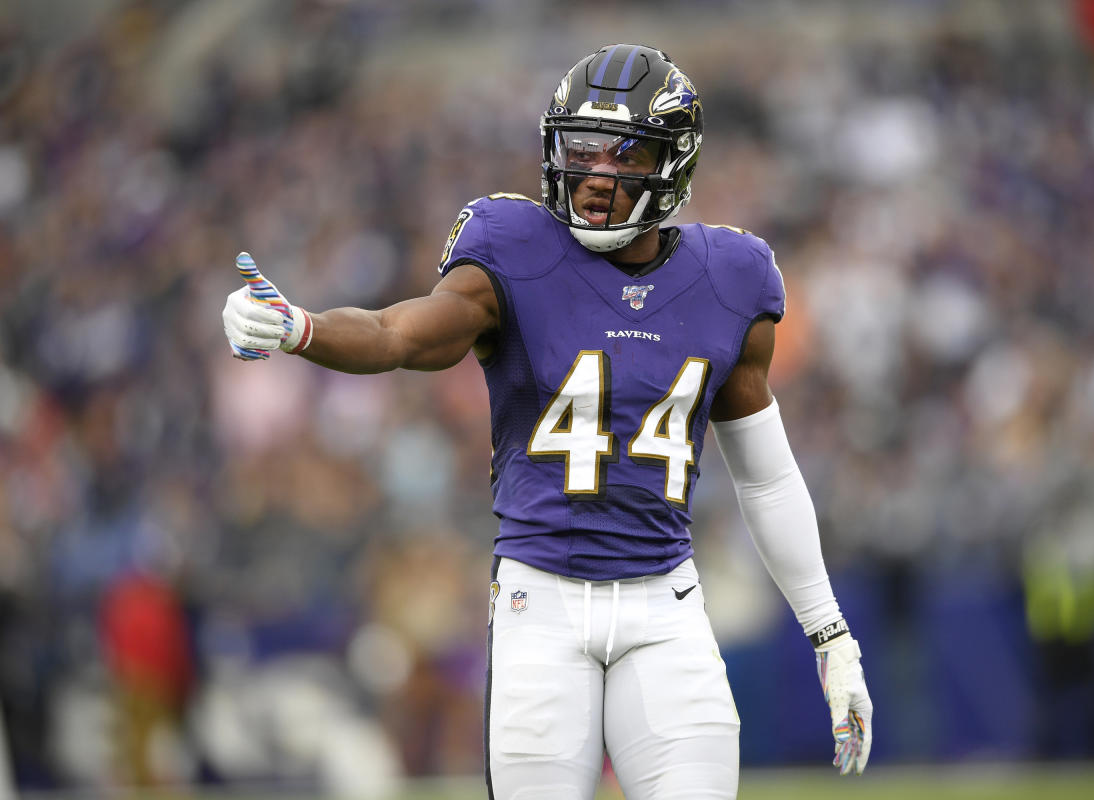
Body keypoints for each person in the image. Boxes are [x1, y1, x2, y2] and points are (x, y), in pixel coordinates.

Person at [222, 44, 872, 800]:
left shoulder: (733, 278)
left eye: (624, 156)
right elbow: (404, 334)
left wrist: (832, 636)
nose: (595, 176)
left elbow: (765, 476)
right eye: (582, 149)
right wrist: (304, 327)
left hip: (667, 603)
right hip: (542, 602)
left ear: (675, 165)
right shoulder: (512, 245)